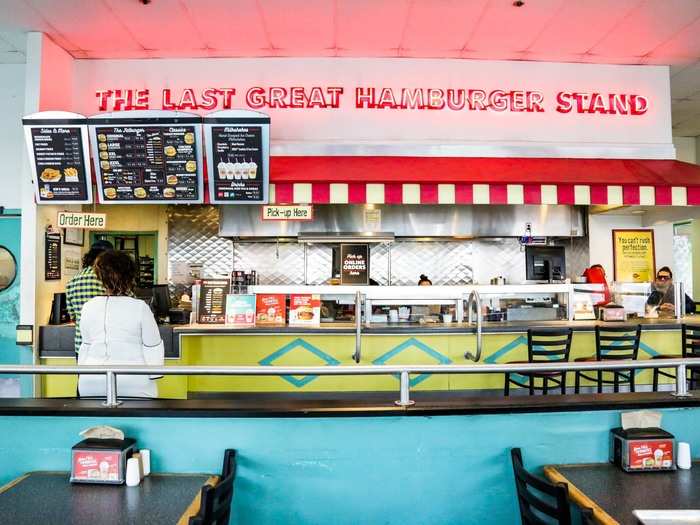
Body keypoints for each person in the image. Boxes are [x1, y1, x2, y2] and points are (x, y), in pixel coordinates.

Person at [77, 250, 164, 398]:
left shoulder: (88, 306)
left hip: (91, 380)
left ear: (99, 276)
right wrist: (155, 375)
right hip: (134, 381)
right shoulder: (139, 307)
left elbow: (86, 345)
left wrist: (82, 373)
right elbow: (153, 346)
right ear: (130, 276)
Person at [66, 240, 114, 353]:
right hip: (107, 346)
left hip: (82, 346)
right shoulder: (111, 279)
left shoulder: (73, 280)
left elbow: (72, 317)